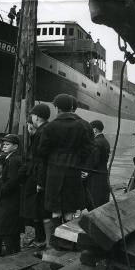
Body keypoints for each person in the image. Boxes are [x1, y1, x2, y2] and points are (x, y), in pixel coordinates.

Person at [38, 94, 94, 248]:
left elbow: (42, 152)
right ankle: (70, 243)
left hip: (54, 173)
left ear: (57, 108)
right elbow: (89, 149)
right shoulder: (84, 125)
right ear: (72, 107)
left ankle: (56, 244)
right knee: (70, 210)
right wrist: (77, 160)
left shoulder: (50, 127)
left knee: (55, 211)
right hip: (73, 172)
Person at [20, 104, 50, 249]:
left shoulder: (41, 132)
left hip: (38, 175)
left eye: (32, 115)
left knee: (38, 208)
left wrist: (39, 181)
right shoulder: (44, 130)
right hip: (39, 174)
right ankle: (42, 238)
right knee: (38, 208)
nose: (31, 118)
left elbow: (41, 159)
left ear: (37, 116)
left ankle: (41, 239)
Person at [0, 134, 22, 257]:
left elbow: (12, 181)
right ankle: (13, 254)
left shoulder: (13, 160)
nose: (4, 146)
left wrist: (1, 192)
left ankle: (10, 256)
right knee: (9, 230)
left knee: (7, 230)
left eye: (8, 144)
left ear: (16, 146)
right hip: (5, 202)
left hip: (7, 203)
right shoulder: (10, 158)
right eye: (4, 144)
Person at [84, 120, 110, 209]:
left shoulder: (96, 142)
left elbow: (94, 160)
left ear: (94, 130)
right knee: (102, 201)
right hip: (103, 174)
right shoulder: (105, 141)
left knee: (94, 200)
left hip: (95, 177)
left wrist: (85, 172)